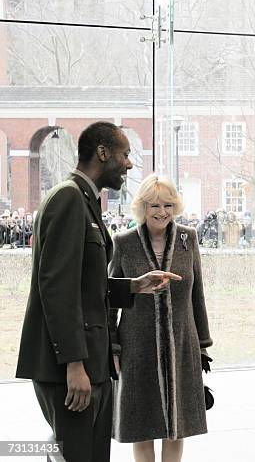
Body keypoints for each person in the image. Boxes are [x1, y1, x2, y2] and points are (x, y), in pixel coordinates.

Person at [15, 121, 181, 462]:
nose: (130, 164)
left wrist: (132, 286)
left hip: (91, 361)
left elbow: (84, 283)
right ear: (102, 153)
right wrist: (74, 364)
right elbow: (57, 288)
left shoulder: (85, 200)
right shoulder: (68, 199)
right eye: (125, 155)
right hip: (73, 367)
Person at [110, 174, 213, 462]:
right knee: (141, 424)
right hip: (136, 346)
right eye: (154, 205)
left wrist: (202, 344)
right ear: (142, 207)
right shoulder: (124, 242)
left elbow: (197, 293)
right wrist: (113, 347)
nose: (162, 212)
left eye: (168, 205)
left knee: (176, 426)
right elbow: (109, 299)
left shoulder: (187, 237)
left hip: (182, 342)